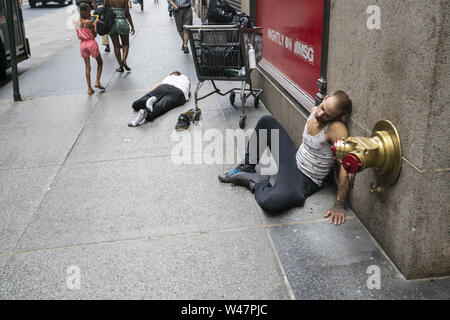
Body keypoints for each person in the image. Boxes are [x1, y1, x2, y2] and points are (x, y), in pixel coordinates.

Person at [218, 91, 353, 226]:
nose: (321, 114)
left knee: (270, 202)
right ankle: (248, 166)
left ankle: (256, 182)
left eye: (327, 115)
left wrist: (340, 204)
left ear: (337, 117)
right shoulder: (314, 110)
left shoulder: (337, 129)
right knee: (267, 121)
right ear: (325, 98)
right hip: (293, 160)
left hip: (305, 180)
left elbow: (347, 166)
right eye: (323, 107)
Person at [75, 3, 105, 95]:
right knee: (100, 62)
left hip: (82, 45)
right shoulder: (88, 22)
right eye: (88, 11)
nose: (90, 13)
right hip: (91, 43)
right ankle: (97, 81)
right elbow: (95, 34)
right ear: (84, 12)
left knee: (87, 66)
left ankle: (89, 88)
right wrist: (95, 25)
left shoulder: (76, 21)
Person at [108, 0, 136, 72]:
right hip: (122, 22)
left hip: (112, 24)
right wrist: (132, 25)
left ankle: (120, 66)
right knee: (125, 44)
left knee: (116, 46)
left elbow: (106, 10)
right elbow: (127, 13)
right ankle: (124, 59)